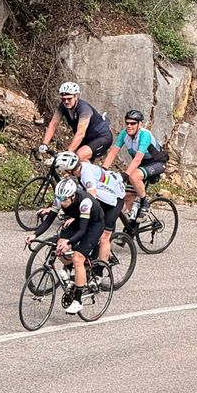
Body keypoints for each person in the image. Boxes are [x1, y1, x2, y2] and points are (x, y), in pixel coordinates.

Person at [25, 178, 105, 314]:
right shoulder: (60, 198)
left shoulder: (85, 202)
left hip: (93, 224)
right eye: (59, 198)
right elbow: (49, 220)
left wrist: (69, 242)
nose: (61, 202)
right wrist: (34, 235)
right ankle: (71, 274)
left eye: (64, 199)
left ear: (73, 196)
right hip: (79, 220)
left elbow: (82, 231)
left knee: (78, 259)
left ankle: (78, 301)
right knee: (59, 246)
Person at [54, 151, 125, 265]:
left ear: (69, 170)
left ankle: (99, 271)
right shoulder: (79, 170)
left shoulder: (86, 174)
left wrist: (77, 216)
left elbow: (91, 196)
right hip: (102, 198)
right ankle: (99, 252)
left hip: (115, 199)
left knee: (104, 236)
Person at [101, 110, 168, 220]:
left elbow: (137, 159)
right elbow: (113, 152)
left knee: (134, 176)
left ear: (139, 124)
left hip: (157, 163)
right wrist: (103, 169)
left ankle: (144, 203)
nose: (129, 126)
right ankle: (130, 228)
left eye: (133, 123)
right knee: (125, 196)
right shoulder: (124, 134)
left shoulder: (144, 135)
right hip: (141, 165)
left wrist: (126, 175)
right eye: (127, 123)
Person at [38, 81, 112, 163]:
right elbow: (53, 124)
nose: (66, 101)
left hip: (101, 136)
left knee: (79, 156)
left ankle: (99, 175)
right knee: (73, 165)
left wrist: (67, 152)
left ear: (76, 96)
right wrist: (44, 144)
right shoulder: (63, 106)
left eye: (69, 98)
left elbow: (80, 133)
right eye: (63, 99)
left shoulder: (84, 109)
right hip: (86, 139)